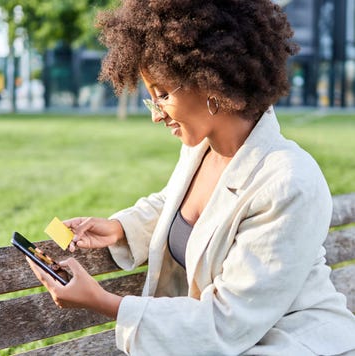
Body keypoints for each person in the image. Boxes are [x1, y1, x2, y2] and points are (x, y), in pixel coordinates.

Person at [27, 1, 355, 355]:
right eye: (151, 99)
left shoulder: (291, 183)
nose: (156, 116)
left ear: (210, 80)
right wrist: (120, 229)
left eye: (163, 95)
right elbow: (181, 208)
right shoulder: (203, 148)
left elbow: (226, 320)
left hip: (294, 343)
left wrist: (103, 302)